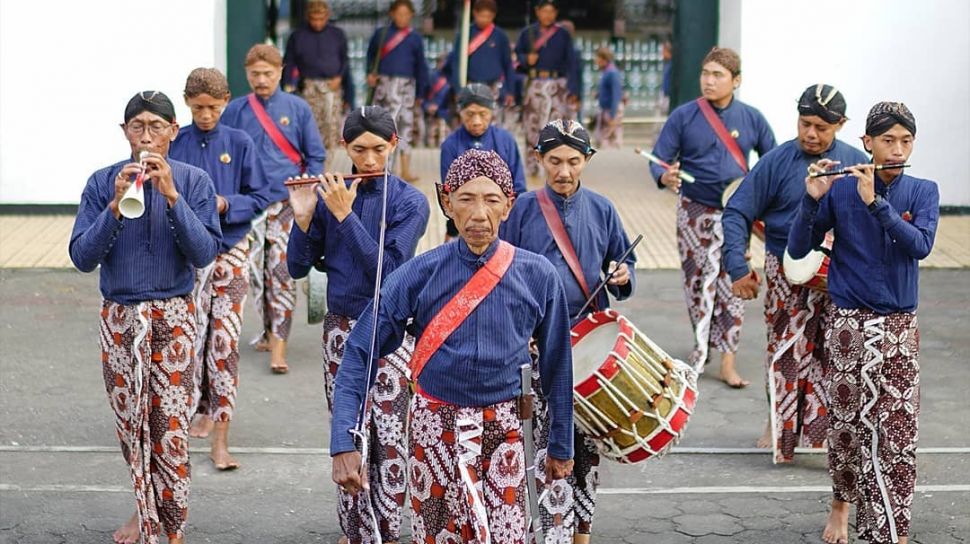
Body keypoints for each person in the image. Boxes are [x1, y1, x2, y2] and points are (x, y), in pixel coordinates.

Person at [330, 149, 574, 544]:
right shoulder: (417, 274)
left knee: (507, 536)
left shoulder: (539, 275)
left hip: (507, 431)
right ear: (446, 202)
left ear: (508, 205)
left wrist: (561, 445)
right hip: (433, 430)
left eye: (492, 199)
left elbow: (558, 366)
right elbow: (360, 351)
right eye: (466, 199)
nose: (479, 214)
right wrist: (344, 441)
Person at [69, 91, 221, 544]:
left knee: (170, 428)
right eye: (138, 127)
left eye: (157, 126)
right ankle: (144, 510)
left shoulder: (194, 181)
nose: (147, 137)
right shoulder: (102, 182)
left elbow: (204, 253)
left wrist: (172, 196)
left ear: (175, 131)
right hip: (120, 316)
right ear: (125, 133)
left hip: (173, 315)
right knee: (131, 426)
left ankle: (172, 525)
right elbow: (82, 257)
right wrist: (115, 206)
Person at [789, 102, 939, 544]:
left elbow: (920, 245)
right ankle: (841, 505)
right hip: (848, 325)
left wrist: (876, 205)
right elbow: (800, 247)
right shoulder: (838, 188)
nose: (896, 149)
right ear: (867, 143)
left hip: (897, 326)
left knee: (897, 430)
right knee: (846, 426)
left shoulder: (924, 190)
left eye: (905, 141)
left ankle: (892, 529)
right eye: (887, 140)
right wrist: (810, 198)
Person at [287, 106, 430, 544]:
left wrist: (345, 217)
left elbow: (387, 274)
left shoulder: (410, 202)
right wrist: (304, 218)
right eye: (358, 149)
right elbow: (297, 267)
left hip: (390, 328)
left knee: (389, 432)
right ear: (344, 147)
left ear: (394, 145)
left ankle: (385, 532)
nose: (368, 160)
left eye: (377, 149)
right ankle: (354, 530)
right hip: (340, 327)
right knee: (348, 430)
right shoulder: (331, 194)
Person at [501, 119, 635, 544]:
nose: (563, 170)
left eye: (573, 161)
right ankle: (544, 528)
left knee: (586, 445)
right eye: (554, 160)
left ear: (587, 160)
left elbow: (623, 266)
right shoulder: (521, 208)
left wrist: (621, 276)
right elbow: (500, 272)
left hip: (585, 342)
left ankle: (581, 531)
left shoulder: (603, 208)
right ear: (538, 158)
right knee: (541, 440)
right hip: (534, 342)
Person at [722, 84, 868, 462]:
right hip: (784, 268)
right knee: (784, 349)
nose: (811, 134)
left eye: (822, 127)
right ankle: (778, 425)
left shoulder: (855, 163)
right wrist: (739, 266)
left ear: (841, 124)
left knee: (835, 353)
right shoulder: (776, 160)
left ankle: (828, 433)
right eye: (805, 124)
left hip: (841, 274)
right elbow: (737, 210)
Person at [649, 46, 776, 387]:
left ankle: (727, 360)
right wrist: (665, 176)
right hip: (694, 210)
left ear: (736, 81)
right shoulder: (683, 116)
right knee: (697, 282)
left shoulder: (752, 118)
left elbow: (772, 164)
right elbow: (659, 159)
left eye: (718, 75)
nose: (709, 80)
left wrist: (761, 202)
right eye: (705, 73)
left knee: (734, 280)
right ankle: (701, 347)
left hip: (737, 213)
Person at [169, 68, 273, 471]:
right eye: (198, 108)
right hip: (188, 257)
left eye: (213, 107)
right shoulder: (175, 144)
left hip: (231, 251)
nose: (206, 114)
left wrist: (227, 204)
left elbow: (263, 194)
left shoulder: (240, 142)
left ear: (227, 101)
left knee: (225, 342)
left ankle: (222, 434)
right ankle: (196, 409)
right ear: (187, 103)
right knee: (190, 337)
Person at [222, 43, 326, 374]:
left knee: (280, 271)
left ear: (280, 72)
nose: (262, 79)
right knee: (255, 273)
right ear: (246, 74)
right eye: (255, 74)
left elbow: (316, 155)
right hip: (249, 204)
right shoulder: (236, 110)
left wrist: (308, 194)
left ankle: (279, 345)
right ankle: (267, 329)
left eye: (268, 73)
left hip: (286, 201)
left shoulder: (297, 108)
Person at [439, 83, 527, 241]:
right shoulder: (450, 145)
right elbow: (449, 191)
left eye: (483, 114)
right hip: (466, 224)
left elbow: (519, 187)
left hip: (504, 222)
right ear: (460, 112)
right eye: (470, 114)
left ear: (492, 113)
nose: (476, 121)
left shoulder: (506, 140)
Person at [365, 0, 429, 182]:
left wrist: (421, 93)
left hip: (407, 88)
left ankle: (405, 169)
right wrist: (370, 73)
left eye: (406, 14)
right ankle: (383, 167)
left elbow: (421, 67)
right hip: (383, 87)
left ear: (411, 16)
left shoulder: (415, 38)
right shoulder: (381, 34)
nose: (402, 18)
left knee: (405, 127)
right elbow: (370, 57)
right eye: (399, 14)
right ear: (392, 14)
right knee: (382, 128)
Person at [515, 0, 580, 178]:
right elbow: (516, 57)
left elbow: (573, 63)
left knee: (555, 129)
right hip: (534, 83)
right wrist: (525, 59)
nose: (548, 15)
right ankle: (531, 167)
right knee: (532, 126)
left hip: (557, 86)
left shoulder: (563, 35)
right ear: (537, 12)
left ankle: (553, 167)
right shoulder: (527, 33)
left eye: (551, 11)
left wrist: (574, 90)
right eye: (544, 11)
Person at [283, 0, 349, 168]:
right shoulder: (297, 36)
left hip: (332, 86)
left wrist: (340, 78)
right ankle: (310, 165)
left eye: (321, 18)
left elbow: (345, 61)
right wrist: (288, 86)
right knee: (309, 126)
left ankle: (326, 166)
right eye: (314, 18)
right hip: (308, 86)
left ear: (327, 16)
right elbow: (289, 62)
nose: (317, 23)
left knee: (330, 127)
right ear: (308, 17)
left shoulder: (337, 34)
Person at [442, 0, 516, 124]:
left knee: (492, 124)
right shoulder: (465, 34)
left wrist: (510, 91)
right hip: (470, 86)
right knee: (470, 124)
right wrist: (458, 89)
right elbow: (456, 64)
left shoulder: (500, 36)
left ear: (494, 15)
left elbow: (508, 65)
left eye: (488, 16)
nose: (484, 19)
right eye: (481, 16)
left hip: (493, 88)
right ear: (474, 13)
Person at [593, 47, 623, 149]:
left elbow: (616, 94)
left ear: (604, 59)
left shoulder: (612, 73)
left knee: (610, 140)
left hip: (610, 111)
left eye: (598, 58)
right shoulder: (606, 72)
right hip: (605, 110)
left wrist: (612, 115)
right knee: (604, 138)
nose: (596, 61)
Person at [423, 52, 453, 148]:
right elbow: (424, 95)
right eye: (440, 62)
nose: (442, 64)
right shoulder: (430, 77)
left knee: (444, 137)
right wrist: (427, 106)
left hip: (446, 112)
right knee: (430, 138)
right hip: (431, 112)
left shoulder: (452, 78)